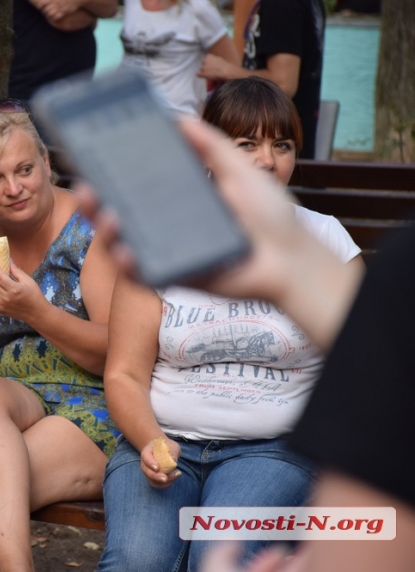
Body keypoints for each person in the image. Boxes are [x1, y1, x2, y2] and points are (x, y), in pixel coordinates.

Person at [95, 77, 363, 572]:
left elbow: (366, 364)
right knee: (136, 561)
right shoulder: (160, 241)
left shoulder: (323, 238)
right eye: (246, 145)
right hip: (159, 438)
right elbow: (125, 374)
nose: (266, 161)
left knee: (219, 557)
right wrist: (151, 441)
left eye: (281, 145)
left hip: (274, 449)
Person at [0, 99, 121, 571]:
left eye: (25, 169)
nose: (14, 189)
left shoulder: (92, 229)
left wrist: (35, 309)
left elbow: (116, 353)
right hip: (16, 400)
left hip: (96, 404)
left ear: (47, 163)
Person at [197, 0, 326, 159]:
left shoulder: (281, 5)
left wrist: (225, 70)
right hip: (281, 141)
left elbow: (284, 83)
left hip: (278, 145)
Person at [9, 0, 118, 140]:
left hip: (77, 92)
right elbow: (63, 19)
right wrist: (90, 10)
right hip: (31, 94)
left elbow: (110, 7)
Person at [118, 0, 240, 116]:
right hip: (129, 112)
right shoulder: (132, 2)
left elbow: (234, 74)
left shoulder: (198, 8)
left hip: (177, 120)